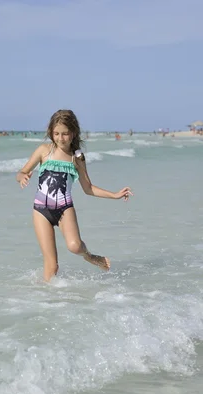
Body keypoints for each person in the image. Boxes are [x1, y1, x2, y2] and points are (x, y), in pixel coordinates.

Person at [16, 110, 133, 282]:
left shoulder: (76, 158)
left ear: (73, 134)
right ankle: (47, 299)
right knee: (52, 265)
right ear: (51, 133)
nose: (60, 138)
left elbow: (88, 188)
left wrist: (114, 195)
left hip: (64, 208)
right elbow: (22, 171)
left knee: (75, 246)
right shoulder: (43, 151)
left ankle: (90, 256)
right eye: (56, 133)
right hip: (41, 210)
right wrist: (22, 177)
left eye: (65, 134)